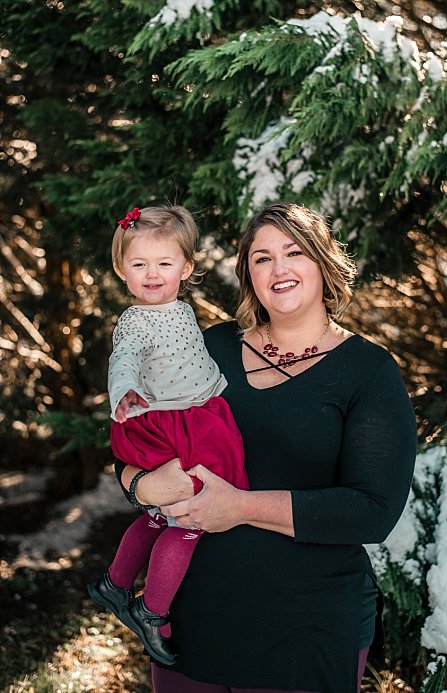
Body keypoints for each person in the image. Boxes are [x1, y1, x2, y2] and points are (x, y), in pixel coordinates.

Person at [116, 203, 416, 692]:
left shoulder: (369, 372)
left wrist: (239, 508)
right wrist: (144, 485)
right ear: (247, 274)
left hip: (307, 628)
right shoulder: (206, 347)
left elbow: (373, 511)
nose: (279, 269)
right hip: (191, 622)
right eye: (261, 258)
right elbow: (134, 444)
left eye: (294, 252)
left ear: (322, 262)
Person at [89, 205, 250, 667]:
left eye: (164, 263)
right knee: (191, 517)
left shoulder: (178, 308)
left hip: (195, 414)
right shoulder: (136, 321)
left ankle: (115, 583)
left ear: (187, 268)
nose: (152, 274)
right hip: (167, 426)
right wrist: (124, 391)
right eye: (139, 264)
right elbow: (125, 360)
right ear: (122, 270)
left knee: (162, 516)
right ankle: (152, 611)